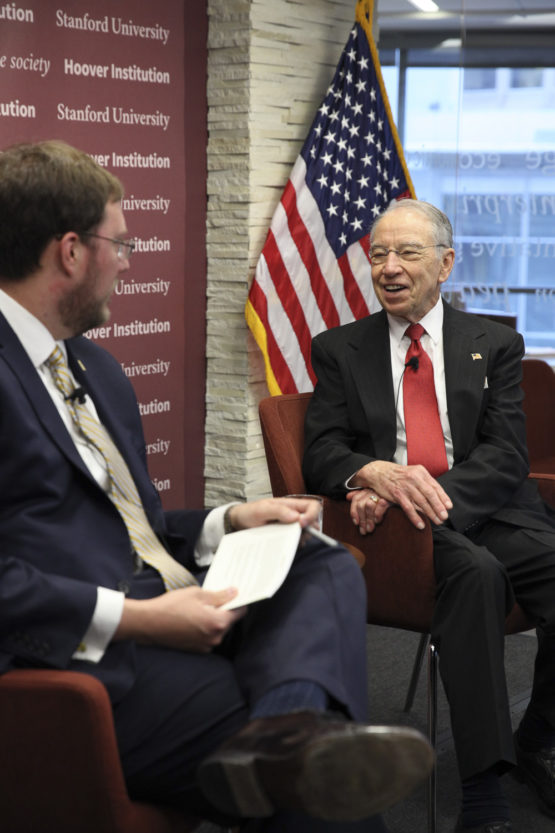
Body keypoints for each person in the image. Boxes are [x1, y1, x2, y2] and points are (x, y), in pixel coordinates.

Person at [0, 140, 434, 833]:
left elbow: (121, 522)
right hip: (82, 663)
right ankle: (288, 737)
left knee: (313, 553)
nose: (127, 262)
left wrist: (231, 518)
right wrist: (138, 616)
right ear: (71, 252)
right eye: (122, 242)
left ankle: (282, 723)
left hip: (171, 604)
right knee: (325, 784)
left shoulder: (96, 369)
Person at [303, 198, 555, 833]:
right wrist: (374, 473)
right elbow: (322, 449)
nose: (389, 267)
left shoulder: (493, 343)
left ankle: (538, 736)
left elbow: (506, 454)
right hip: (397, 531)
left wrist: (421, 493)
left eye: (407, 253)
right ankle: (484, 793)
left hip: (484, 507)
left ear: (445, 264)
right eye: (379, 253)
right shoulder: (339, 348)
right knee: (475, 578)